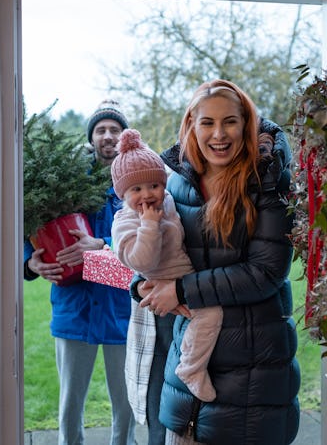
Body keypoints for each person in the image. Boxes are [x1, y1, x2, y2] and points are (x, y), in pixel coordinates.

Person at [135, 79, 300, 445]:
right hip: (188, 372)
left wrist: (179, 289)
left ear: (247, 124)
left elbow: (265, 272)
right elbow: (155, 242)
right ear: (192, 124)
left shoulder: (269, 181)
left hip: (254, 379)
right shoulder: (176, 181)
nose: (219, 134)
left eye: (230, 121)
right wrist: (142, 282)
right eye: (207, 122)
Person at [23, 100, 137, 445]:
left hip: (122, 308)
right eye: (100, 130)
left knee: (127, 400)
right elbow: (33, 223)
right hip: (75, 307)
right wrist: (30, 261)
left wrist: (100, 244)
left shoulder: (136, 182)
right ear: (91, 138)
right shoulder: (66, 183)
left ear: (124, 136)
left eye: (114, 130)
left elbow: (147, 240)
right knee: (70, 400)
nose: (107, 136)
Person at [109, 128, 223, 443]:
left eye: (155, 185)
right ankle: (192, 368)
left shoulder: (169, 200)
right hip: (161, 289)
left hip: (184, 281)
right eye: (136, 189)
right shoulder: (130, 220)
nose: (147, 194)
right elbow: (140, 261)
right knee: (160, 382)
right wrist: (149, 226)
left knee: (207, 316)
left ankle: (191, 365)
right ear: (122, 194)